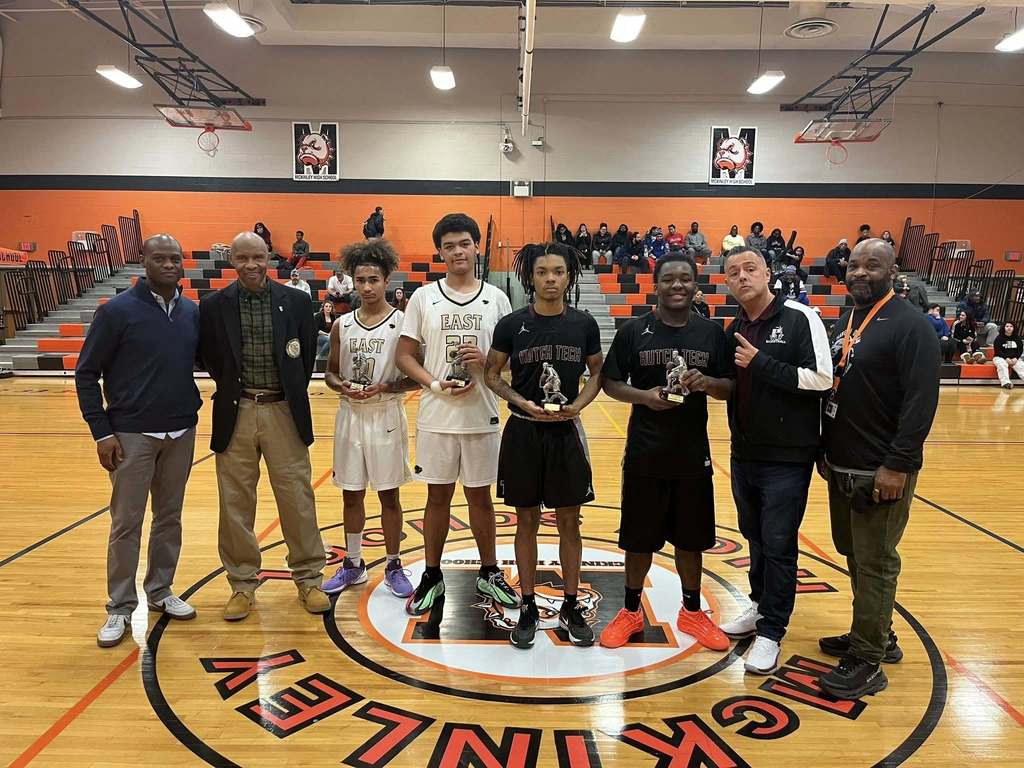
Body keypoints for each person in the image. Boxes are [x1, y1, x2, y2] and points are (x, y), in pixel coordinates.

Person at [818, 238, 940, 699]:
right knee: (854, 554)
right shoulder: (846, 319)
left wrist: (897, 465)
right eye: (854, 265)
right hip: (842, 463)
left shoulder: (912, 326)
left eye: (872, 265)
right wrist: (825, 449)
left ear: (892, 272)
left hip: (880, 470)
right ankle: (876, 633)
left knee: (875, 562)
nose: (860, 273)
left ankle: (868, 660)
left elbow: (921, 403)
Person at [599, 251, 733, 652]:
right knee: (638, 540)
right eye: (669, 278)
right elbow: (610, 382)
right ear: (655, 285)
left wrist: (707, 383)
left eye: (685, 279)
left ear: (696, 285)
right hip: (645, 452)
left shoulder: (712, 333)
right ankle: (630, 611)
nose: (678, 285)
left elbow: (730, 386)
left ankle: (691, 612)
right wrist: (645, 396)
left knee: (692, 540)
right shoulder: (633, 331)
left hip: (693, 454)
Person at [75, 234, 202, 647]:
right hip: (131, 433)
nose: (169, 265)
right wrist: (101, 431)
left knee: (169, 517)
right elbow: (86, 373)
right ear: (143, 262)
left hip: (181, 430)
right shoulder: (116, 311)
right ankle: (120, 606)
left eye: (175, 258)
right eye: (160, 258)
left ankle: (161, 590)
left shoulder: (191, 311)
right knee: (126, 523)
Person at [198, 231, 329, 621]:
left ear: (269, 257)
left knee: (297, 498)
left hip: (283, 409)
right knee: (235, 503)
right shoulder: (213, 306)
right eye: (242, 258)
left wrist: (285, 392)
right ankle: (241, 584)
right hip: (236, 410)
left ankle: (309, 579)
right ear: (232, 261)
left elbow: (305, 358)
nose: (251, 265)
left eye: (257, 257)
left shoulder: (297, 301)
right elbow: (209, 357)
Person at [395, 213, 518, 616]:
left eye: (464, 243)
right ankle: (432, 574)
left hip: (483, 414)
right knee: (437, 497)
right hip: (437, 415)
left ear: (476, 246)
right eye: (449, 246)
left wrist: (486, 363)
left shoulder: (497, 299)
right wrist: (433, 383)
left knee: (480, 497)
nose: (458, 251)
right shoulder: (423, 297)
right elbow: (404, 356)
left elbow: (510, 360)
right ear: (440, 252)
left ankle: (489, 571)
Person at [484, 242, 604, 649]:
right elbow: (492, 374)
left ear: (569, 277)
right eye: (542, 272)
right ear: (530, 277)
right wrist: (520, 401)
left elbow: (597, 373)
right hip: (523, 431)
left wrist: (577, 405)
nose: (550, 279)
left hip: (566, 433)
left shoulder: (584, 324)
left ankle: (571, 604)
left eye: (558, 271)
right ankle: (529, 603)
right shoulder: (511, 324)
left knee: (570, 520)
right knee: (526, 520)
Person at [720, 245, 833, 674]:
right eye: (734, 272)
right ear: (727, 283)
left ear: (768, 273)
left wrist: (761, 363)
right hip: (744, 453)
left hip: (787, 458)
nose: (743, 277)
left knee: (779, 543)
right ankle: (758, 606)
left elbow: (822, 378)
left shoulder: (800, 317)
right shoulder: (735, 326)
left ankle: (772, 632)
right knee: (755, 537)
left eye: (750, 268)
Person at [323, 239, 419, 598]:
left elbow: (417, 376)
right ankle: (353, 563)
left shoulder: (403, 324)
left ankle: (393, 564)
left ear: (386, 281)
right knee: (351, 494)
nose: (366, 287)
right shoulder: (342, 325)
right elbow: (330, 373)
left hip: (386, 413)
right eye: (360, 280)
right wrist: (342, 386)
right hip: (350, 415)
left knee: (389, 495)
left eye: (373, 280)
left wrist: (388, 385)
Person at [993, 321, 1024, 389]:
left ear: (1014, 328)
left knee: (1021, 366)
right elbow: (998, 351)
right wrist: (1006, 358)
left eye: (1011, 326)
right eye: (1007, 326)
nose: (1009, 328)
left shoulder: (1017, 338)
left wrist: (1016, 358)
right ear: (1004, 328)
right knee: (1002, 364)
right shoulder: (999, 338)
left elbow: (1020, 350)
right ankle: (1006, 383)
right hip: (1000, 357)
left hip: (1014, 358)